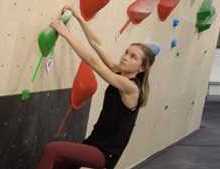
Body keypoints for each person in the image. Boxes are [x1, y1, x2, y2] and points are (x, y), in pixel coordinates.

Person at [35, 4, 158, 169]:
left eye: (133, 57)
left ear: (142, 68)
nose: (126, 57)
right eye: (126, 52)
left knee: (53, 150)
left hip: (105, 153)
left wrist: (65, 33)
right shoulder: (119, 71)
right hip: (94, 142)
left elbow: (94, 62)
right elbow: (96, 43)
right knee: (61, 165)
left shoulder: (130, 87)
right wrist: (79, 17)